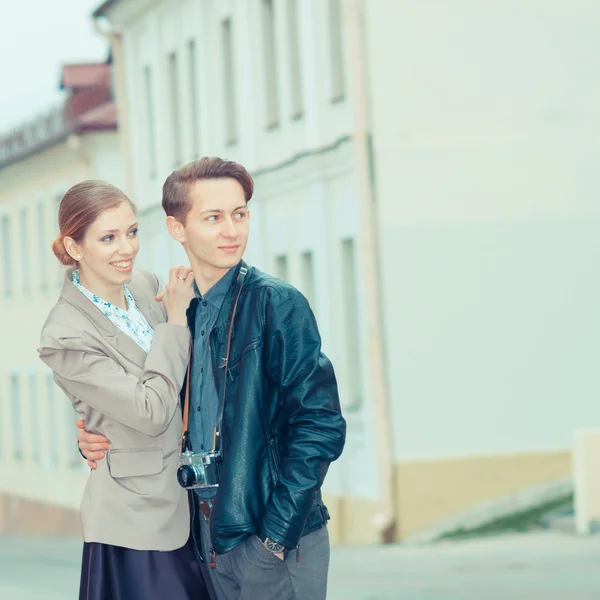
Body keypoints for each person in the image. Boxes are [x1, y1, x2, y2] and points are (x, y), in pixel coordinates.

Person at [78, 157, 347, 600]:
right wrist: (94, 436)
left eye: (239, 214)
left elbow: (320, 425)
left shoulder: (276, 303)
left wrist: (275, 538)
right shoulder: (177, 313)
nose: (232, 230)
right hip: (202, 537)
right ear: (177, 228)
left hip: (270, 536)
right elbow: (150, 405)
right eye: (214, 217)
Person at [38, 180, 212, 600]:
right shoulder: (64, 335)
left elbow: (186, 381)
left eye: (132, 232)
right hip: (137, 520)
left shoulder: (145, 288)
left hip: (191, 505)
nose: (126, 248)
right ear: (75, 248)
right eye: (108, 238)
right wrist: (174, 323)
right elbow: (150, 411)